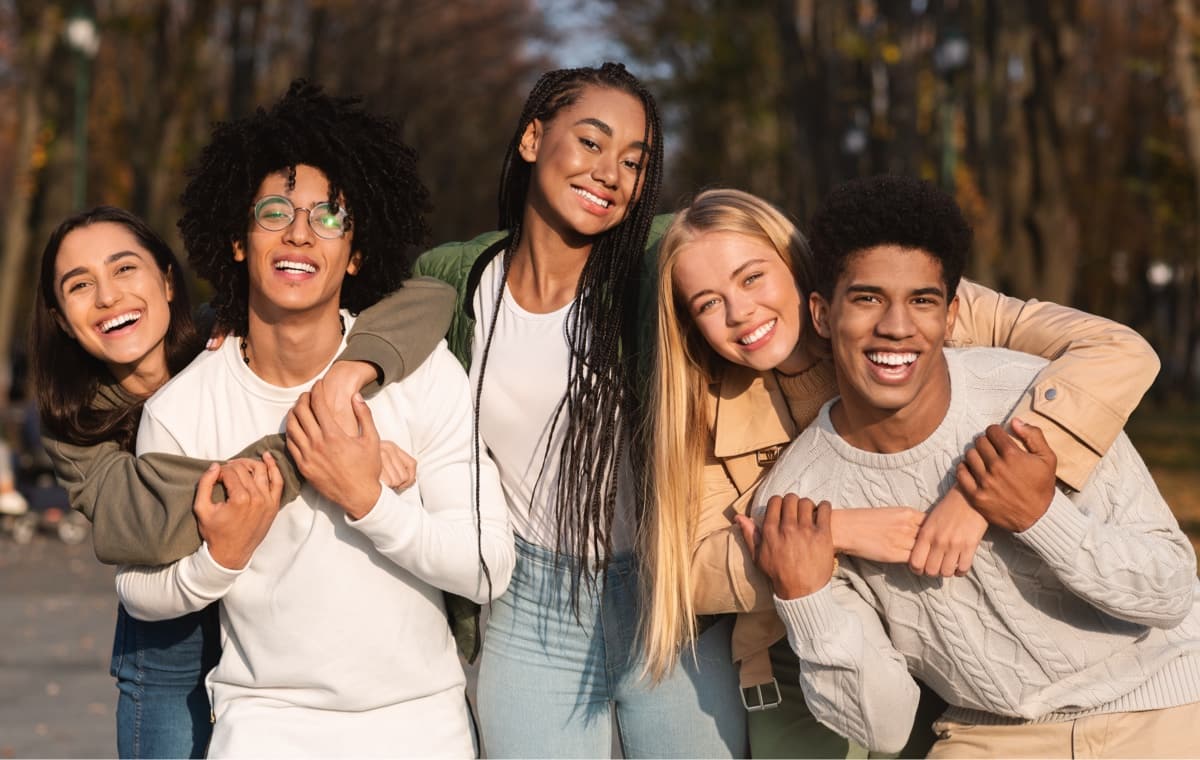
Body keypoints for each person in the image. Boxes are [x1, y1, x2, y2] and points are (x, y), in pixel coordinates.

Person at [642, 188, 1163, 757]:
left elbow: (1114, 350)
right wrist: (836, 531)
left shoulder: (906, 308)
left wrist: (981, 492)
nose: (740, 313)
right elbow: (685, 568)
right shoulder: (700, 403)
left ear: (797, 267)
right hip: (806, 637)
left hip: (951, 624)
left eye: (751, 279)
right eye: (708, 303)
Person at [106, 80, 514, 757]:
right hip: (264, 722)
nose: (300, 231)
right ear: (238, 241)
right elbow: (138, 587)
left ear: (355, 253)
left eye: (330, 217)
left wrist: (367, 497)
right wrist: (221, 557)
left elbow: (486, 563)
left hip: (420, 720)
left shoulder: (422, 372)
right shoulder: (181, 408)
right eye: (275, 211)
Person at [31, 204, 453, 758]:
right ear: (62, 316)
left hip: (274, 633)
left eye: (124, 269)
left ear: (165, 278)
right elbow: (145, 524)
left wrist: (349, 377)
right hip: (170, 643)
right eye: (80, 285)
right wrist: (325, 449)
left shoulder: (232, 336)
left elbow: (430, 298)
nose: (108, 296)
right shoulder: (72, 421)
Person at [414, 63, 746, 758]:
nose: (611, 173)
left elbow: (753, 260)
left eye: (634, 161)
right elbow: (358, 322)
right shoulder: (456, 278)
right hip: (531, 606)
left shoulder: (652, 268)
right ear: (533, 138)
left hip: (669, 601)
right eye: (591, 143)